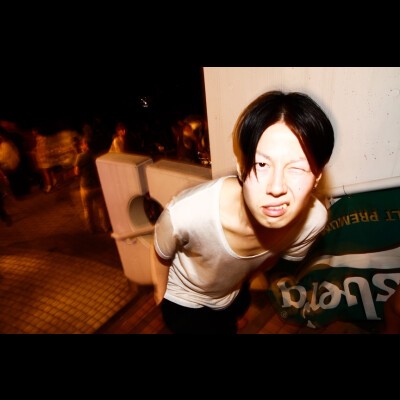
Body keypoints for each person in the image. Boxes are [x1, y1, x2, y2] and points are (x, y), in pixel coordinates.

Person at [153, 90, 335, 334]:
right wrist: (159, 293)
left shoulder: (313, 222)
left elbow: (272, 258)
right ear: (240, 167)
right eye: (262, 164)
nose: (276, 188)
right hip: (186, 300)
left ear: (317, 177)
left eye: (297, 168)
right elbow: (161, 254)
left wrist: (245, 278)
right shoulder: (186, 213)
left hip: (233, 291)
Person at [74, 135, 111, 233]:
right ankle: (106, 226)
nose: (81, 146)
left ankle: (91, 228)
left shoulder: (80, 156)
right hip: (97, 185)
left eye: (82, 144)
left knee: (87, 209)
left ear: (86, 144)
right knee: (102, 208)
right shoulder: (97, 155)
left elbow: (76, 172)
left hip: (86, 187)